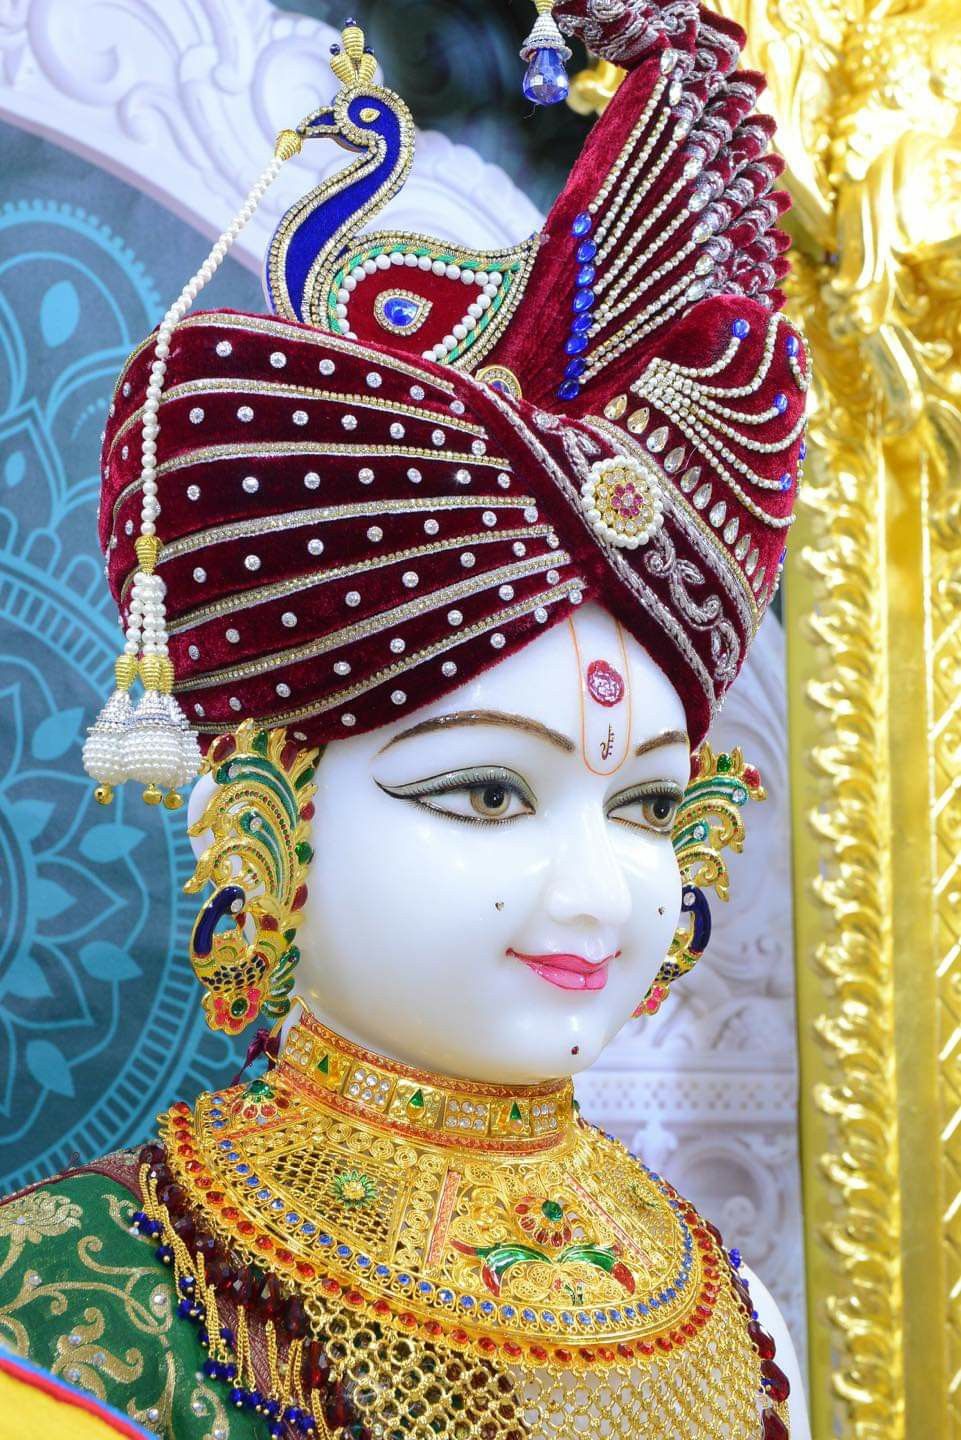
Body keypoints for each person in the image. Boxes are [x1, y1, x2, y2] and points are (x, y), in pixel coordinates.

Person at [0, 1, 810, 1435]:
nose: (593, 888)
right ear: (257, 818)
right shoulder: (81, 1309)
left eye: (642, 809)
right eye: (487, 795)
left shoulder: (725, 1310)